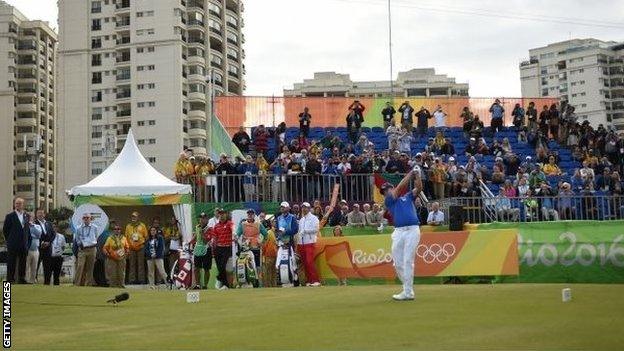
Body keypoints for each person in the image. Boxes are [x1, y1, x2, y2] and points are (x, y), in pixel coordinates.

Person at [381, 168, 423, 301]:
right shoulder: (389, 201)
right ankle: (407, 289)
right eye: (384, 191)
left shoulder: (407, 197)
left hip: (412, 230)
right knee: (398, 263)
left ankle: (408, 292)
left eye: (388, 189)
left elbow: (419, 189)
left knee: (407, 260)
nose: (386, 192)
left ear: (391, 188)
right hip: (398, 232)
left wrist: (418, 176)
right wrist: (410, 173)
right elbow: (399, 188)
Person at [2, 197, 30, 284]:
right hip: (13, 243)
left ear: (23, 205)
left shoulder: (26, 216)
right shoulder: (10, 216)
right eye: (16, 203)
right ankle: (10, 279)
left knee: (23, 262)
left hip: (23, 244)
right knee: (11, 262)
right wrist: (9, 240)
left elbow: (27, 230)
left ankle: (21, 279)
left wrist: (27, 242)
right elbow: (5, 230)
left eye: (19, 203)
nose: (17, 205)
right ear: (14, 205)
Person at [236, 209, 267, 281]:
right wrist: (237, 240)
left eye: (251, 214)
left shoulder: (258, 224)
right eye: (249, 214)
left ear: (254, 215)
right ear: (247, 215)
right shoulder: (243, 224)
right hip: (245, 248)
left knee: (257, 265)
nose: (250, 215)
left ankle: (257, 280)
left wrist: (261, 242)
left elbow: (266, 235)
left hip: (256, 247)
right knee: (245, 264)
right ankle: (247, 279)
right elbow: (237, 234)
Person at [297, 202, 321, 286]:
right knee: (305, 262)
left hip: (310, 242)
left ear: (309, 208)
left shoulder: (314, 218)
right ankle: (309, 280)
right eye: (303, 207)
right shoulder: (301, 220)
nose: (304, 209)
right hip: (302, 243)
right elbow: (300, 231)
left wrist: (306, 231)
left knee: (310, 261)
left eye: (305, 207)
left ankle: (315, 280)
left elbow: (316, 229)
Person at [209, 209, 234, 290]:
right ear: (218, 215)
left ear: (226, 215)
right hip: (218, 248)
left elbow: (233, 228)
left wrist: (234, 233)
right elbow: (214, 238)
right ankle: (224, 284)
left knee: (223, 265)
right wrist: (213, 249)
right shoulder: (216, 226)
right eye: (220, 214)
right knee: (220, 267)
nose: (221, 215)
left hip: (227, 247)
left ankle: (221, 281)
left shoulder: (229, 223)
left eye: (223, 214)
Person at [73, 213, 99, 286]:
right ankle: (77, 284)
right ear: (82, 219)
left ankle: (89, 284)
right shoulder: (79, 228)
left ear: (90, 219)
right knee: (80, 266)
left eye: (87, 218)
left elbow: (96, 237)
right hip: (82, 250)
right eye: (84, 218)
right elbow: (77, 239)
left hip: (92, 249)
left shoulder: (95, 227)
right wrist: (80, 244)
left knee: (90, 268)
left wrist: (92, 243)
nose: (86, 219)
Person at [124, 211, 148, 284]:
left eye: (135, 216)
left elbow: (146, 237)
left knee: (141, 264)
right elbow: (126, 237)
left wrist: (143, 244)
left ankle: (141, 280)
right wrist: (127, 247)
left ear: (138, 217)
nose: (133, 218)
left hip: (141, 247)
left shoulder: (142, 225)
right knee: (132, 264)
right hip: (131, 248)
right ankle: (132, 280)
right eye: (132, 216)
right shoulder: (128, 226)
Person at [34, 209, 54, 284]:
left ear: (44, 214)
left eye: (41, 213)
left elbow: (53, 234)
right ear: (36, 214)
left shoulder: (49, 223)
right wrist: (41, 243)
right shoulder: (34, 223)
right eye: (38, 213)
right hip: (38, 248)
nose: (40, 215)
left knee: (47, 267)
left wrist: (49, 242)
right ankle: (34, 281)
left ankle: (47, 283)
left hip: (48, 249)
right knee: (36, 266)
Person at [192, 213, 212, 290]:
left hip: (207, 250)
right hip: (198, 249)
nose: (201, 220)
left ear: (207, 219)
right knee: (196, 268)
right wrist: (189, 243)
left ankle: (205, 285)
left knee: (206, 269)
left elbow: (206, 240)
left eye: (203, 218)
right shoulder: (197, 227)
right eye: (200, 218)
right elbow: (195, 237)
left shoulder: (209, 229)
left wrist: (202, 232)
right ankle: (197, 285)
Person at [26, 213, 42, 283]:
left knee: (34, 267)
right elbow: (26, 236)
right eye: (28, 218)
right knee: (26, 267)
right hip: (28, 250)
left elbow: (38, 235)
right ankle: (26, 280)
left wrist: (32, 226)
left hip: (36, 250)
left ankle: (32, 281)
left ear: (33, 218)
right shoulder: (25, 226)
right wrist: (32, 235)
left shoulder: (37, 226)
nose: (29, 219)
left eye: (31, 217)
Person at [261, 219, 278, 287]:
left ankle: (273, 285)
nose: (275, 224)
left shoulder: (273, 233)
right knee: (268, 272)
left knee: (273, 272)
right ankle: (268, 286)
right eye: (274, 222)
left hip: (274, 255)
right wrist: (263, 255)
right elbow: (264, 244)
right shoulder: (269, 233)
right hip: (268, 255)